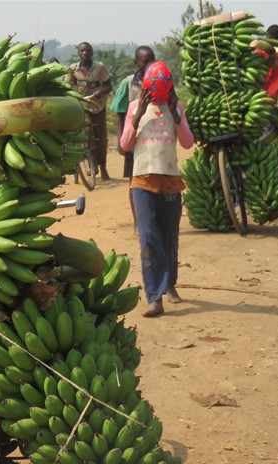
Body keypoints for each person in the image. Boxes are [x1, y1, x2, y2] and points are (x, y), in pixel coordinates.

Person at [119, 62, 194, 318]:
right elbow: (125, 145)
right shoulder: (134, 108)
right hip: (143, 181)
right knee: (148, 238)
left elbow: (187, 142)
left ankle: (169, 282)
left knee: (169, 237)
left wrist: (175, 115)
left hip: (170, 180)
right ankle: (154, 297)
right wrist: (138, 114)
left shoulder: (175, 107)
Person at [65, 42, 112, 181]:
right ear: (78, 53)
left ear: (91, 53)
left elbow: (109, 86)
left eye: (88, 51)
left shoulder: (100, 67)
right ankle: (91, 163)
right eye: (82, 51)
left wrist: (100, 91)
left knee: (101, 137)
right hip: (82, 105)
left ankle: (103, 166)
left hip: (98, 106)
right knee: (86, 134)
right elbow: (68, 86)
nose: (85, 53)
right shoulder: (73, 69)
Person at [109, 46, 156, 179]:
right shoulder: (128, 83)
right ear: (136, 63)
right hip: (134, 136)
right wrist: (121, 142)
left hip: (153, 135)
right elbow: (120, 115)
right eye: (145, 61)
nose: (148, 65)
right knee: (134, 178)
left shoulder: (159, 82)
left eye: (151, 61)